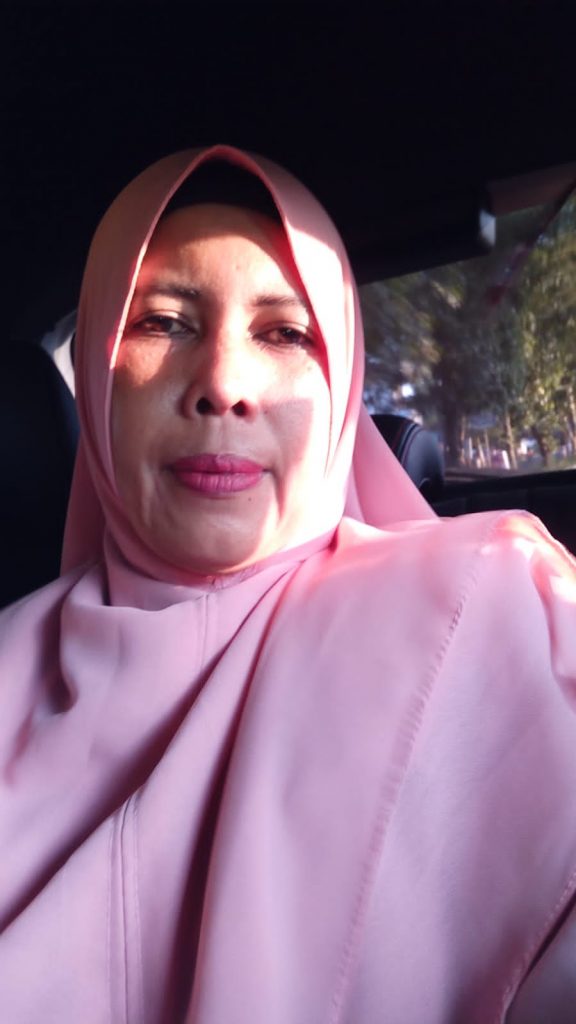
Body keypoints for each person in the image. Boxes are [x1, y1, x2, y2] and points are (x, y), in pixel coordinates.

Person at [1, 145, 576, 1023]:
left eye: (284, 333)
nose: (223, 385)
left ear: (342, 384)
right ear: (95, 376)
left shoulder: (499, 612)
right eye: (163, 323)